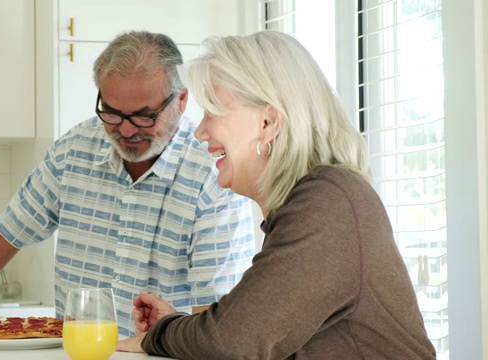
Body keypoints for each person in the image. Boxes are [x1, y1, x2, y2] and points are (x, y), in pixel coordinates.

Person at [116, 31, 437, 359]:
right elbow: (249, 334)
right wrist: (179, 326)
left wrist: (161, 333)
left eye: (212, 112)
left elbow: (230, 340)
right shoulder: (312, 201)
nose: (200, 132)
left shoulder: (328, 204)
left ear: (268, 123)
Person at [0, 31, 256, 337]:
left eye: (143, 115)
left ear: (180, 101)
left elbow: (215, 319)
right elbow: (7, 233)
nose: (125, 130)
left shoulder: (213, 176)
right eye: (111, 112)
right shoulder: (74, 150)